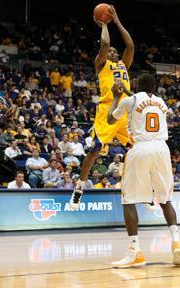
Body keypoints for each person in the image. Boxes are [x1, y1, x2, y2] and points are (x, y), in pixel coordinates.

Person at [107, 74, 180, 268]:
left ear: (136, 86)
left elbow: (110, 119)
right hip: (161, 149)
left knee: (129, 199)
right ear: (154, 87)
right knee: (166, 199)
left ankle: (135, 252)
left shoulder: (130, 100)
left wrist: (116, 96)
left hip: (141, 148)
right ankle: (176, 242)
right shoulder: (161, 102)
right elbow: (141, 100)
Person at [70, 5, 135, 208]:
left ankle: (142, 191)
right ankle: (79, 189)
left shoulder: (124, 65)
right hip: (107, 109)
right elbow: (105, 43)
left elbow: (131, 46)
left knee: (138, 150)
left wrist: (117, 21)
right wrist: (105, 24)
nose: (113, 52)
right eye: (111, 52)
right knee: (94, 150)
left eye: (116, 51)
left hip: (124, 111)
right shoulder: (101, 65)